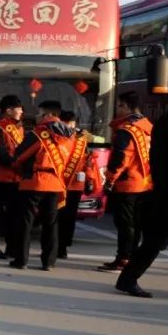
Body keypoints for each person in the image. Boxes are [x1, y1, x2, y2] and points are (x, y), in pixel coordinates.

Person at [7, 100, 76, 271]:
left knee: (26, 222)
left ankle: (21, 259)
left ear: (47, 115)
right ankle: (48, 261)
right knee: (51, 223)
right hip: (55, 183)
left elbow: (19, 155)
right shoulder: (70, 135)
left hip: (34, 181)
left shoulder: (37, 134)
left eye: (39, 113)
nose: (36, 117)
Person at [116, 106, 168, 298]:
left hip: (163, 191)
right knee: (155, 241)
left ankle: (128, 279)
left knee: (154, 241)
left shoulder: (165, 121)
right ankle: (128, 279)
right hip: (167, 193)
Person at [99, 92, 154, 271]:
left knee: (125, 224)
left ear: (125, 106)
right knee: (135, 223)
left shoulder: (126, 131)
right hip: (144, 182)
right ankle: (130, 257)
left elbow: (120, 159)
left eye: (119, 106)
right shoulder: (147, 128)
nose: (117, 110)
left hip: (127, 184)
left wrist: (109, 180)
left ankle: (124, 258)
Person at [0, 94, 25, 259]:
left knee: (14, 214)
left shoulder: (19, 127)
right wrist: (17, 163)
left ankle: (11, 247)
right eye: (19, 108)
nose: (22, 111)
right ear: (8, 110)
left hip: (15, 178)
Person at [56, 111, 94, 259]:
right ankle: (55, 246)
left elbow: (88, 161)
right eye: (66, 124)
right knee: (56, 216)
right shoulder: (57, 136)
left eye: (71, 124)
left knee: (69, 217)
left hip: (74, 184)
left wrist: (89, 180)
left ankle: (63, 246)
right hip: (59, 182)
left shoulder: (82, 140)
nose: (69, 127)